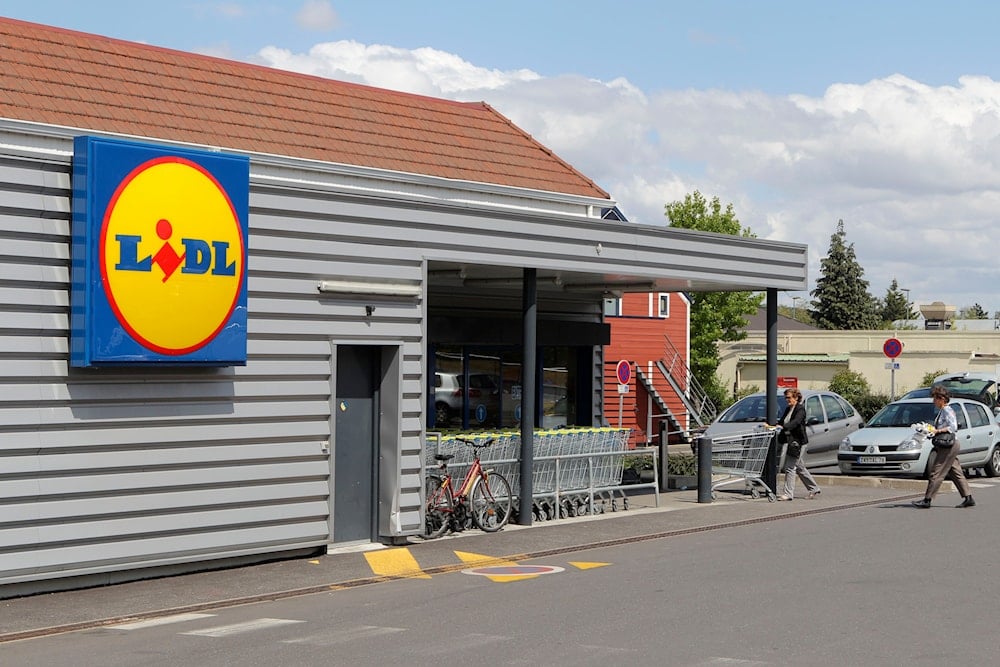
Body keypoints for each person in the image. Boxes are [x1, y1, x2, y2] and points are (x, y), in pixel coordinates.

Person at [912, 384, 975, 508]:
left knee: (936, 472)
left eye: (935, 398)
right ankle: (968, 497)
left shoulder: (946, 410)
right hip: (950, 444)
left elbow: (953, 427)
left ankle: (927, 500)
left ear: (942, 399)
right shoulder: (943, 411)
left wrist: (937, 431)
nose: (933, 401)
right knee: (955, 471)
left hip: (949, 445)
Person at [771, 388, 821, 501]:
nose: (787, 400)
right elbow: (782, 421)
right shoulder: (788, 409)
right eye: (786, 398)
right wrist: (773, 425)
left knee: (790, 467)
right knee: (799, 466)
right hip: (790, 441)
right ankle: (814, 488)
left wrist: (784, 427)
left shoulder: (800, 409)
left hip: (798, 442)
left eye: (789, 397)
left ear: (796, 397)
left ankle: (788, 494)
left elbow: (796, 422)